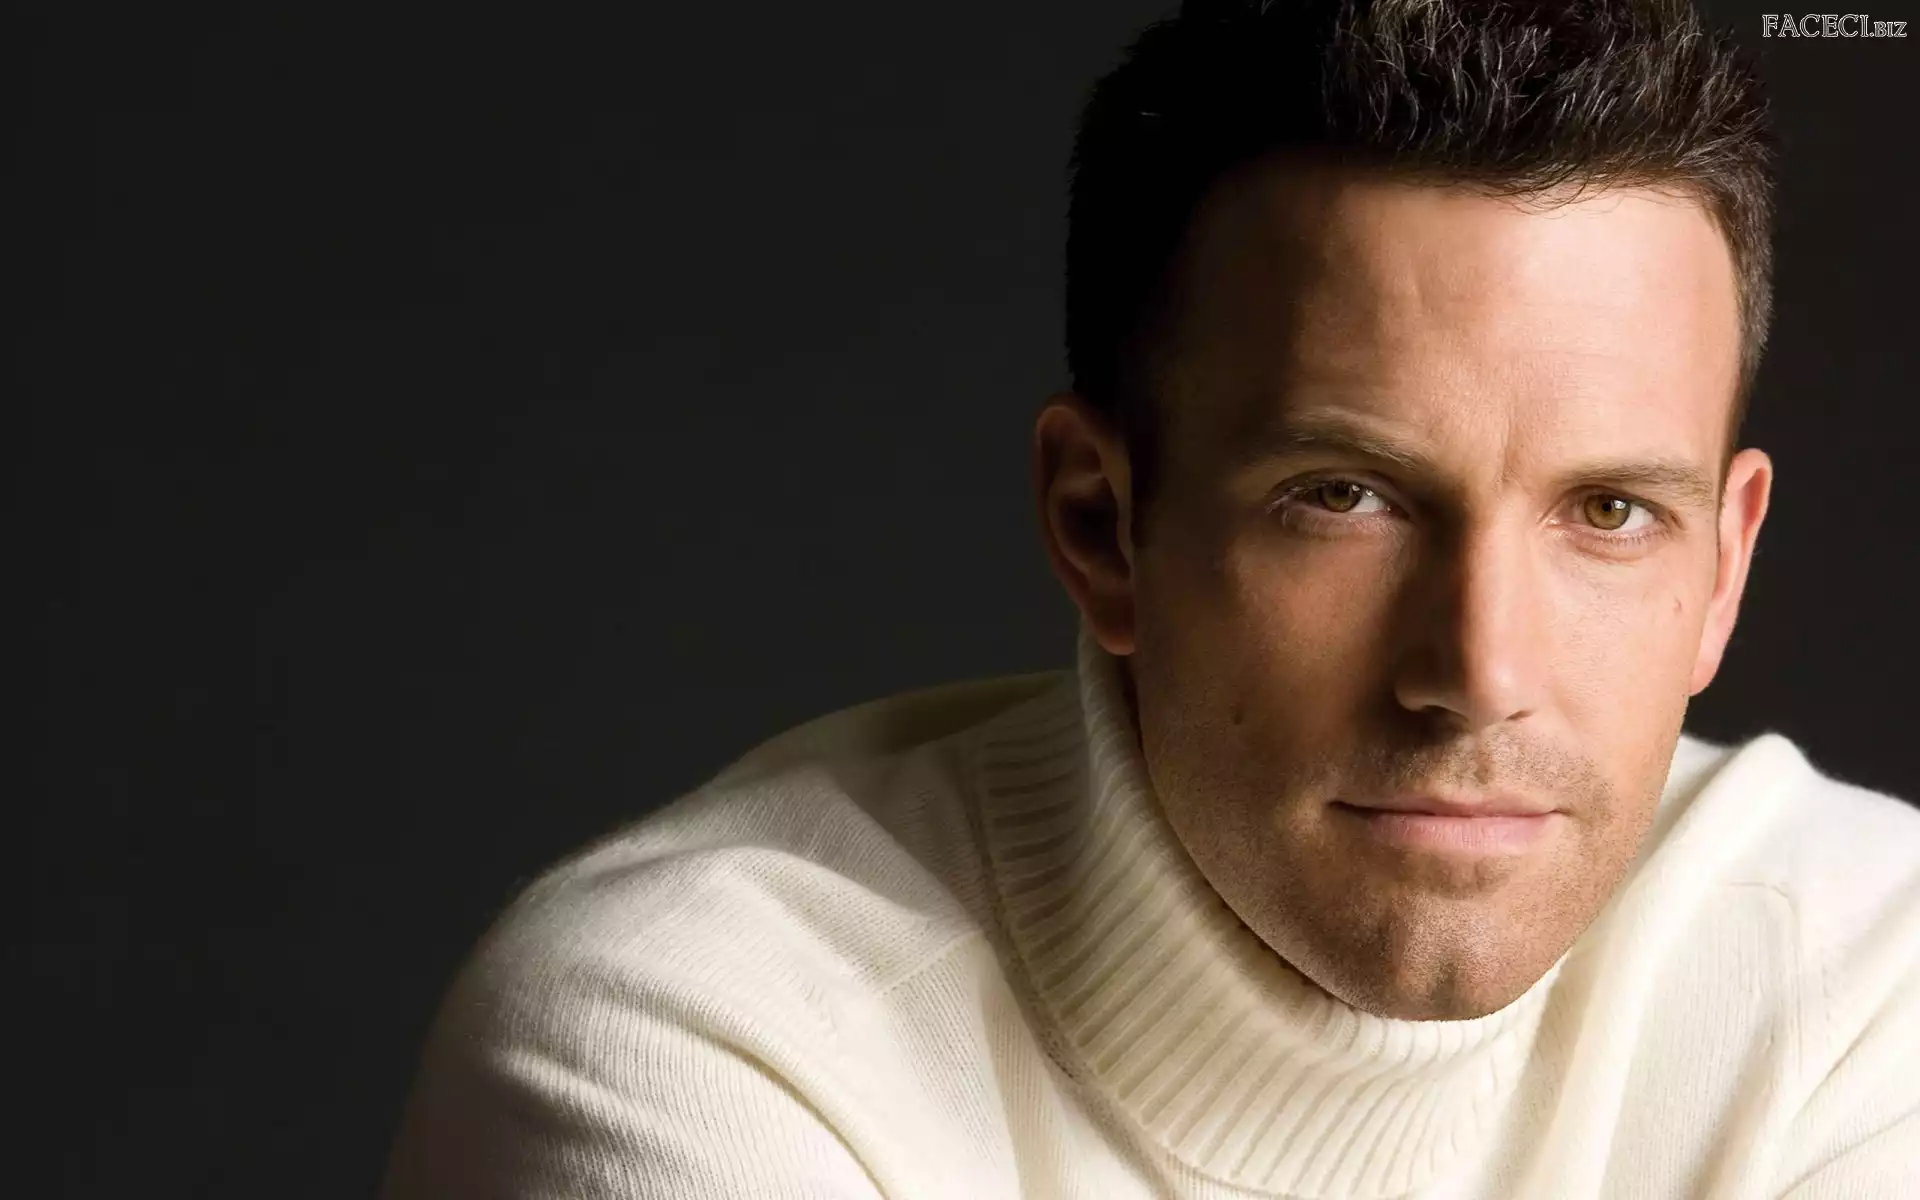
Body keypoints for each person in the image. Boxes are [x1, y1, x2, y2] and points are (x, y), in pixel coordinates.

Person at [380, 0, 1920, 1195]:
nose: (1479, 670)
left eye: (1611, 513)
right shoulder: (695, 1038)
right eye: (1346, 495)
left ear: (1725, 566)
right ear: (1102, 526)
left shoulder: (1871, 975)